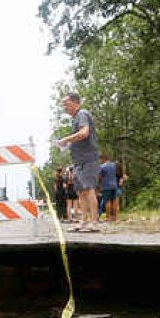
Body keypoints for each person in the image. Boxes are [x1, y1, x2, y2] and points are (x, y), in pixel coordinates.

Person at [55, 94, 100, 232]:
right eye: (63, 105)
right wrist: (68, 145)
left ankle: (94, 223)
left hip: (88, 159)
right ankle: (83, 222)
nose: (64, 108)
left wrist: (66, 139)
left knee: (89, 189)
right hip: (78, 161)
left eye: (66, 104)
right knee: (80, 192)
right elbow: (79, 137)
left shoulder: (82, 114)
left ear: (75, 103)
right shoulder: (76, 118)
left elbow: (84, 133)